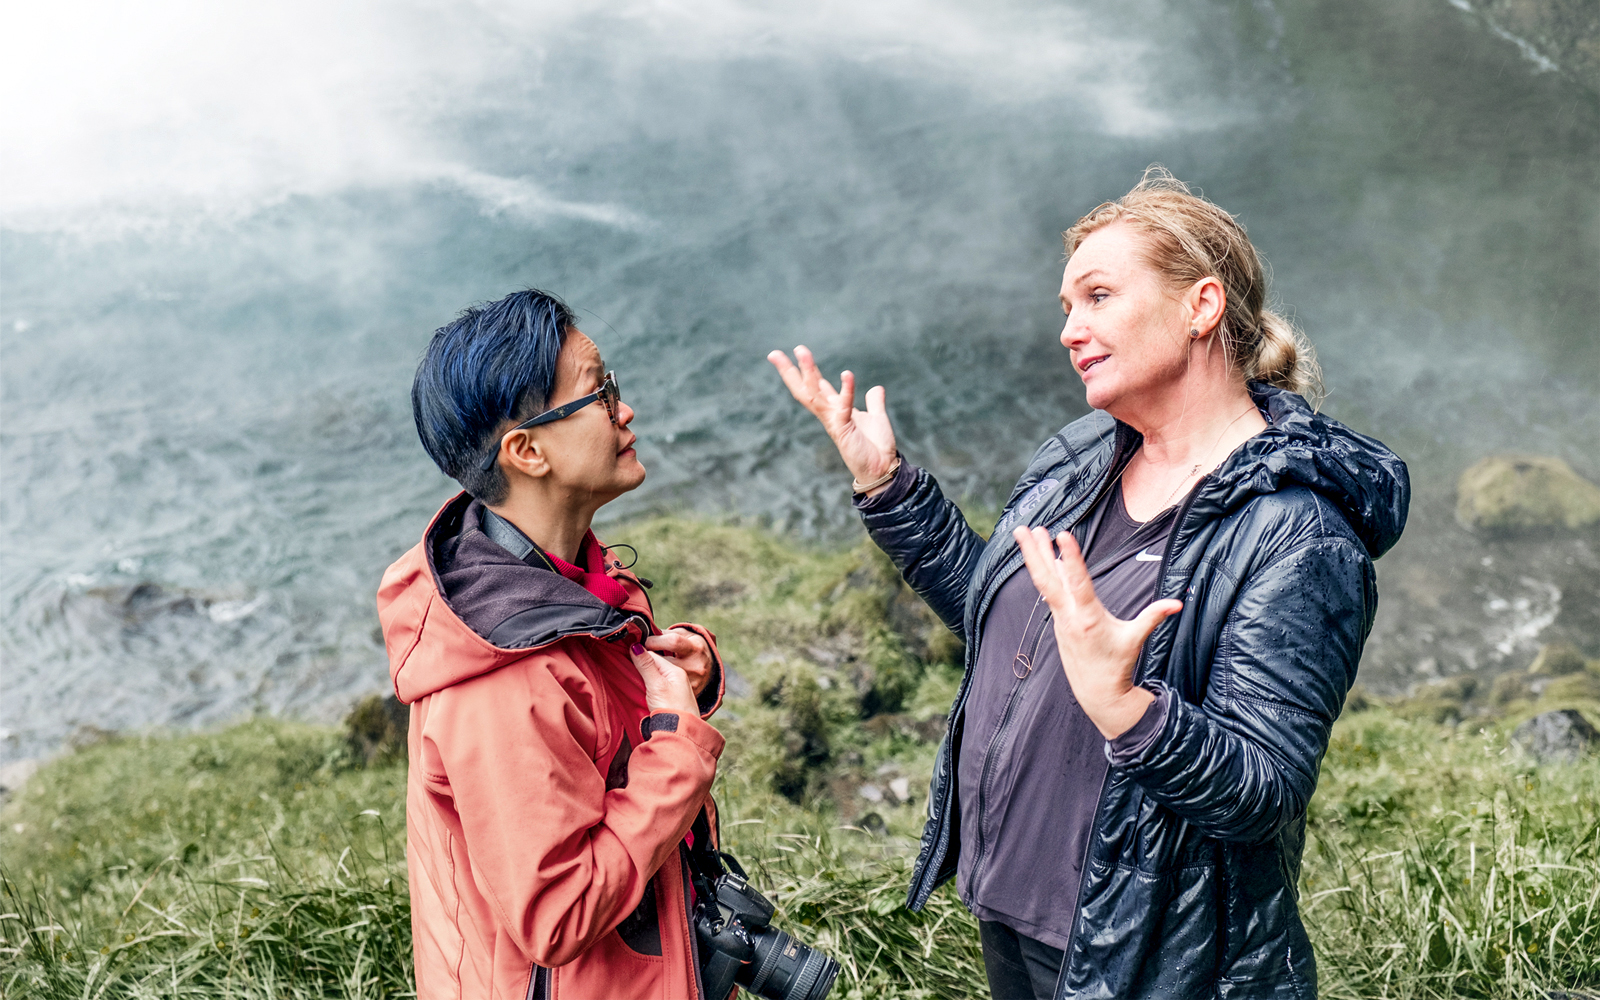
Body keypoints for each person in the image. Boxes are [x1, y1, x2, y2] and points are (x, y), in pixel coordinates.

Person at [769, 168, 1409, 999]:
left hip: (1156, 958)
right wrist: (888, 486)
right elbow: (1010, 624)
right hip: (1014, 915)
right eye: (1066, 308)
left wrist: (1129, 710)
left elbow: (1264, 790)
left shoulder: (1297, 533)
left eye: (1098, 296)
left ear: (1202, 306)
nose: (1071, 330)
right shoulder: (1082, 453)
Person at [379, 289, 727, 1000]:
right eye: (598, 395)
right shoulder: (502, 676)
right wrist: (679, 750)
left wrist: (687, 675)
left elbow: (595, 740)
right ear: (528, 451)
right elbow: (558, 912)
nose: (624, 411)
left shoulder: (562, 579)